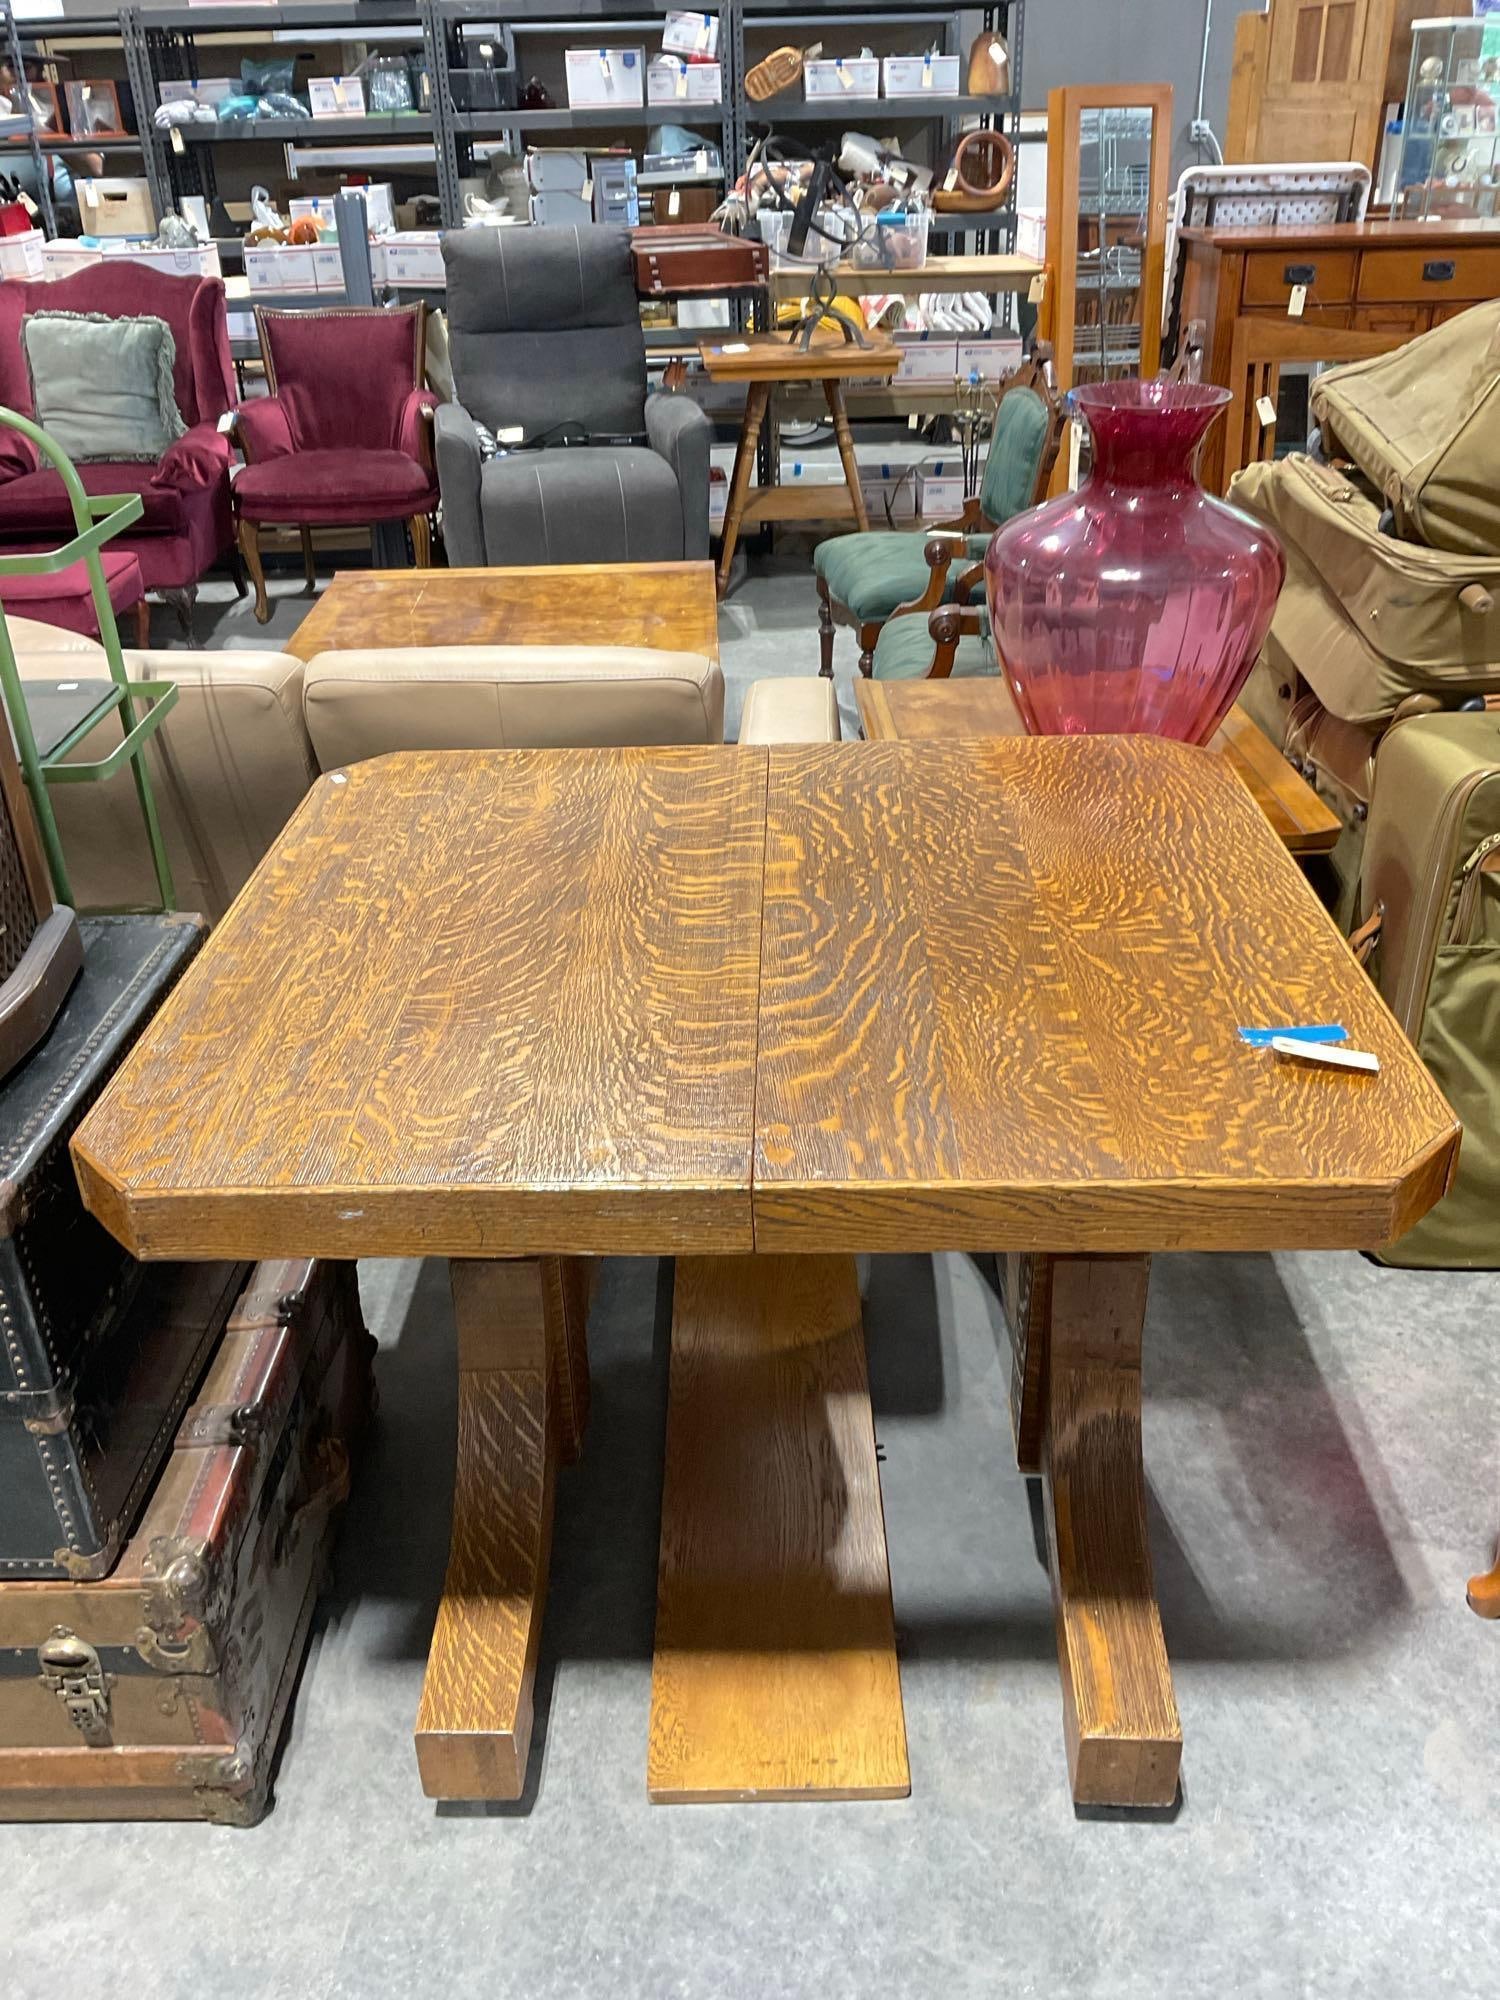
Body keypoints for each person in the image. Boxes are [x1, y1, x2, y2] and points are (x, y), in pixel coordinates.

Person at [0, 59, 103, 231]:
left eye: (26, 66)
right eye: (11, 66)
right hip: (12, 229)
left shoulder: (62, 110)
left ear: (40, 72)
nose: (19, 74)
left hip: (68, 226)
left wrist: (42, 130)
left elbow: (96, 167)